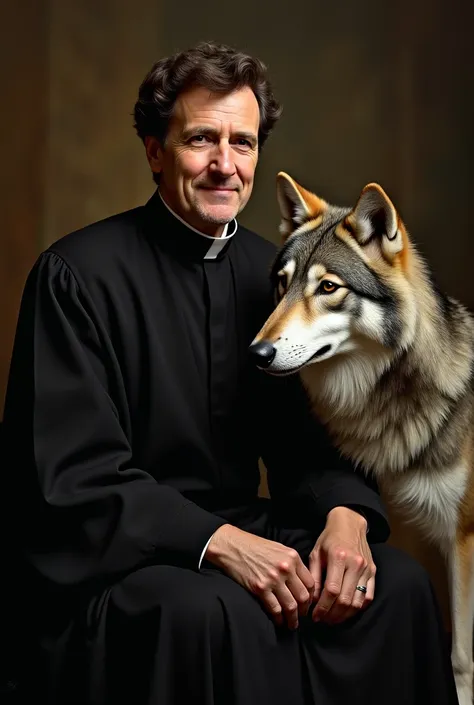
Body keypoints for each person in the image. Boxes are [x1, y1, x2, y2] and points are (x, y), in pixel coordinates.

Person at [1, 41, 457, 705]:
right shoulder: (76, 276)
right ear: (155, 152)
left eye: (242, 143)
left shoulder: (278, 276)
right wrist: (216, 541)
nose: (225, 166)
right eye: (201, 140)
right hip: (130, 554)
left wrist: (346, 515)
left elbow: (316, 441)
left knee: (396, 586)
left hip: (249, 522)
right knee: (210, 611)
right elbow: (75, 480)